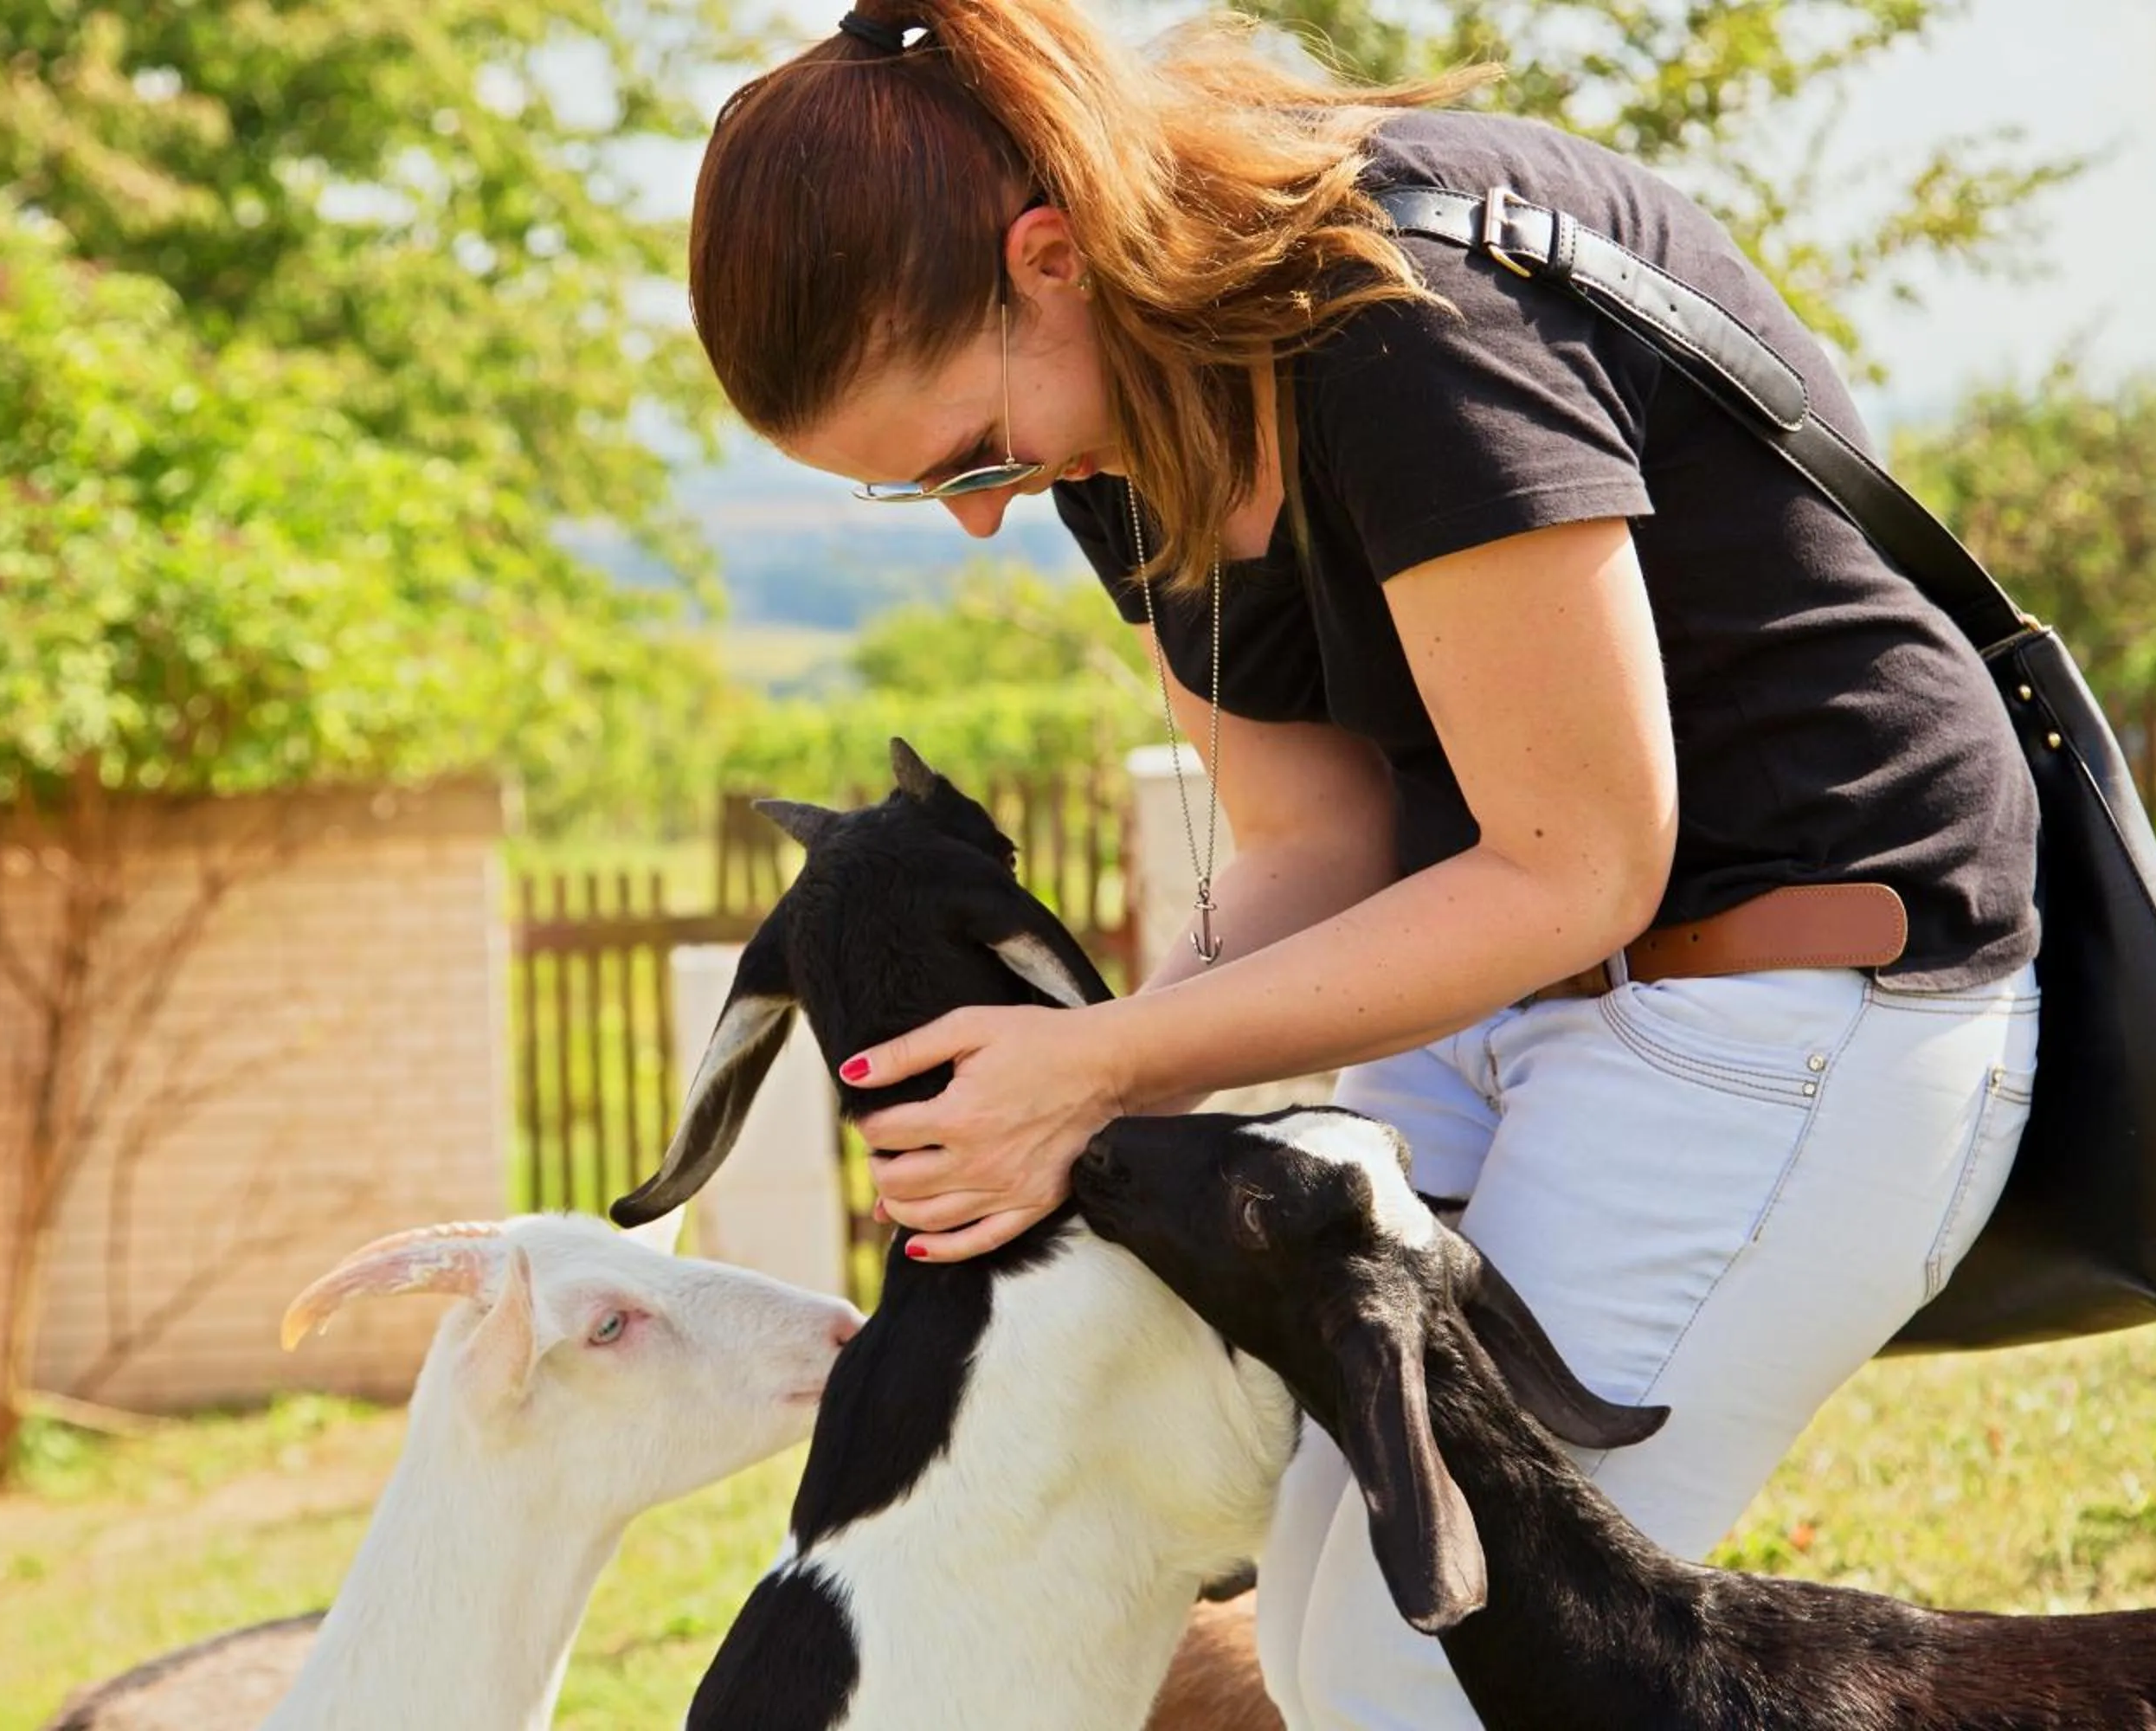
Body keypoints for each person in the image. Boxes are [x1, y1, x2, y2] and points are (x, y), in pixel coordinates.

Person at [685, 3, 2042, 1727]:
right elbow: (1313, 846)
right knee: (1331, 1650)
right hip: (1497, 998)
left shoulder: (1409, 319)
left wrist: (1100, 1064)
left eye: (974, 456)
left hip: (1794, 1000)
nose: (980, 513)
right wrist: (1073, 1107)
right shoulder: (1122, 418)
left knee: (1430, 1666)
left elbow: (1576, 864)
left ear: (1049, 259)